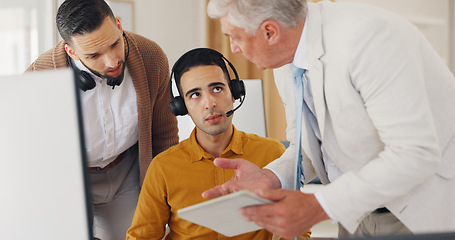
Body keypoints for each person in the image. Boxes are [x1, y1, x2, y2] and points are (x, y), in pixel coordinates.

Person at [202, 0, 455, 239]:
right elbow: (308, 144)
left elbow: (415, 153)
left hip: (418, 211)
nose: (233, 48)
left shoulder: (369, 38)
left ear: (270, 32)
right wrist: (271, 177)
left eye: (235, 37)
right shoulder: (285, 57)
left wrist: (319, 205)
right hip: (355, 214)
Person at [25, 0, 179, 239]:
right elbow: (33, 157)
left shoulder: (151, 57)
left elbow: (164, 134)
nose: (112, 61)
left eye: (115, 43)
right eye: (94, 54)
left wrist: (167, 196)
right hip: (72, 180)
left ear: (118, 25)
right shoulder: (39, 78)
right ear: (72, 51)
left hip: (127, 171)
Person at [126, 48, 310, 239]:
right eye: (195, 95)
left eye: (217, 89)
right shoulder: (163, 167)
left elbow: (299, 230)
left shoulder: (274, 154)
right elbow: (142, 237)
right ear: (183, 107)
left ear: (234, 93)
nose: (210, 103)